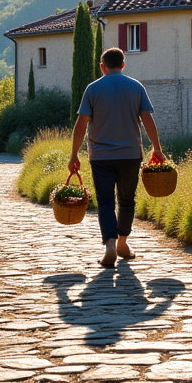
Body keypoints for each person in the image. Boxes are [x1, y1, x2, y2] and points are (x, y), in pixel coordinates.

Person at [69, 46, 165, 268]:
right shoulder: (136, 87)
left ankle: (109, 245)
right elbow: (147, 119)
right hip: (130, 155)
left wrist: (74, 154)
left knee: (105, 201)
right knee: (127, 199)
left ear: (102, 67)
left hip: (100, 156)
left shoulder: (93, 89)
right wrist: (157, 148)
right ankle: (122, 243)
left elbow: (81, 124)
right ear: (123, 65)